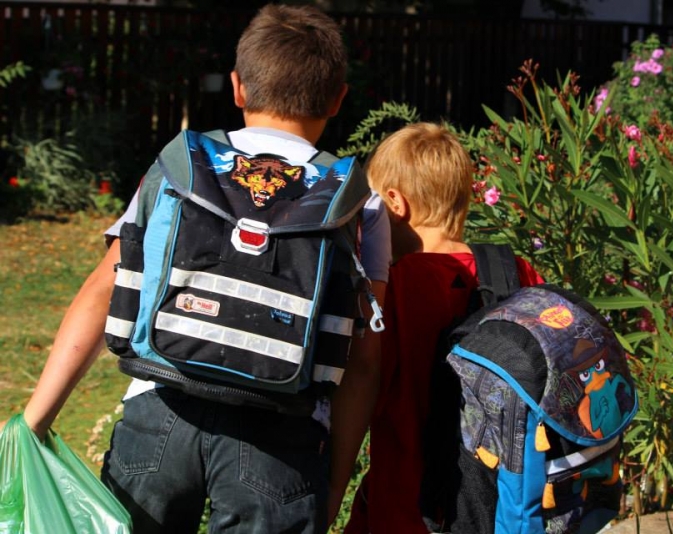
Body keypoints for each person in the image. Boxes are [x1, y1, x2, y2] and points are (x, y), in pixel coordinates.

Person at [5, 5, 389, 533]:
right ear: (339, 98)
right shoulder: (355, 201)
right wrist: (335, 485)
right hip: (280, 438)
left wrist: (35, 420)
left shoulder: (181, 168)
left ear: (238, 87)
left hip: (159, 412)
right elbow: (363, 361)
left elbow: (102, 289)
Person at [343, 123, 545, 534]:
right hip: (501, 509)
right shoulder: (516, 272)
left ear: (394, 203)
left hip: (410, 510)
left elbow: (364, 390)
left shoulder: (395, 287)